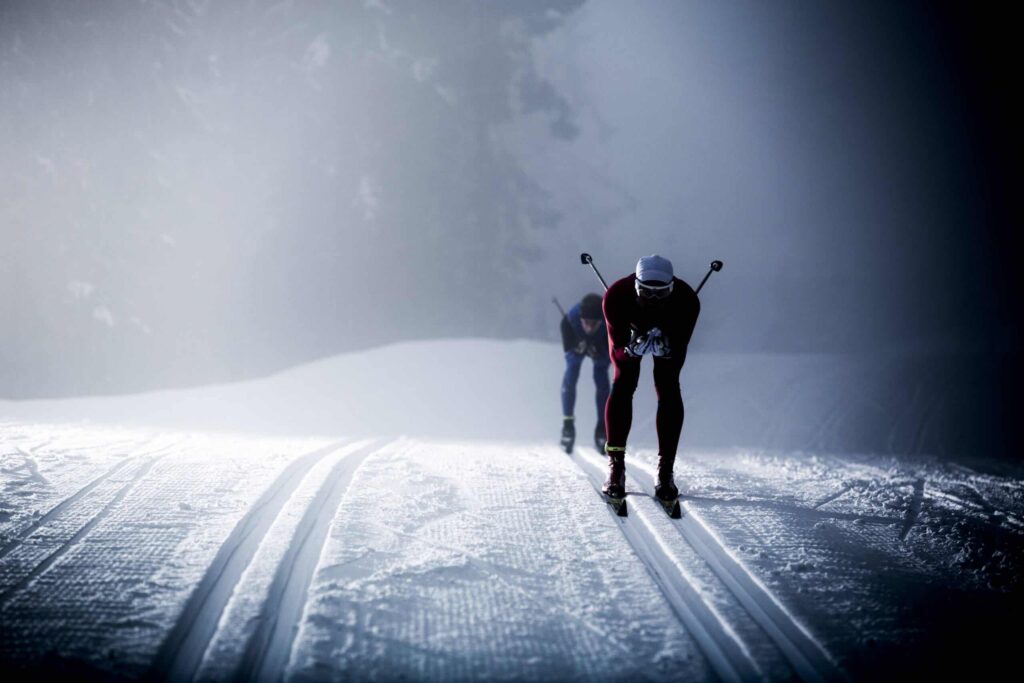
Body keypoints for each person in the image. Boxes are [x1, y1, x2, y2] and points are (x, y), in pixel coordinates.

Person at [601, 254, 700, 501]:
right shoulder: (615, 297)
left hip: (671, 332)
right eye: (646, 292)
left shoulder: (687, 301)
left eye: (662, 293)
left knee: (668, 386)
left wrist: (668, 350)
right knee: (623, 383)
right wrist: (631, 350)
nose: (654, 299)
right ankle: (616, 466)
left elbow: (678, 352)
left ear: (672, 288)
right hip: (630, 337)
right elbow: (617, 355)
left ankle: (665, 471)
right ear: (635, 285)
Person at [559, 293, 610, 453]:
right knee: (571, 372)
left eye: (593, 324)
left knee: (601, 376)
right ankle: (568, 425)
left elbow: (613, 347)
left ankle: (602, 426)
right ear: (580, 319)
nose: (588, 328)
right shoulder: (569, 321)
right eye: (586, 323)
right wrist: (575, 346)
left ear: (600, 321)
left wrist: (600, 350)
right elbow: (568, 348)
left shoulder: (610, 322)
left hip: (601, 344)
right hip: (577, 342)